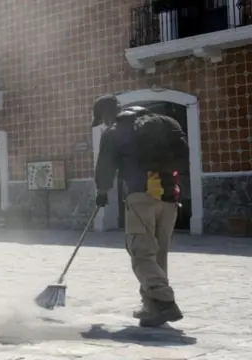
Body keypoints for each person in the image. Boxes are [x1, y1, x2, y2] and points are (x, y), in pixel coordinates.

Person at [92, 94, 188, 328]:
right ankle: (151, 305)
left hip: (141, 196)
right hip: (169, 196)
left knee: (141, 253)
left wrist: (102, 192)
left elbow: (105, 167)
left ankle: (164, 302)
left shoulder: (114, 132)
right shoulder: (167, 122)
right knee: (157, 253)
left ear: (106, 114)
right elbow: (184, 158)